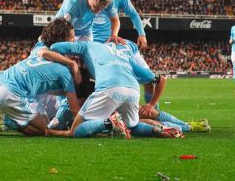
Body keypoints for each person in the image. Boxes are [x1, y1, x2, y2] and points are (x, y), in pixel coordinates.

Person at [50, 40, 181, 138]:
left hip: (109, 88)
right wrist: (152, 104)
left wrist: (71, 60)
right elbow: (156, 78)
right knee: (131, 127)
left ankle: (109, 123)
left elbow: (55, 47)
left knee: (76, 131)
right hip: (133, 91)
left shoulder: (88, 45)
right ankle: (157, 129)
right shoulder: (124, 55)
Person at [55, 0, 124, 43]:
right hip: (62, 27)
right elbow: (68, 30)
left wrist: (114, 35)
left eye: (101, 9)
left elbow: (115, 20)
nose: (98, 12)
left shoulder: (108, 1)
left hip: (85, 31)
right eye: (95, 7)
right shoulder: (74, 3)